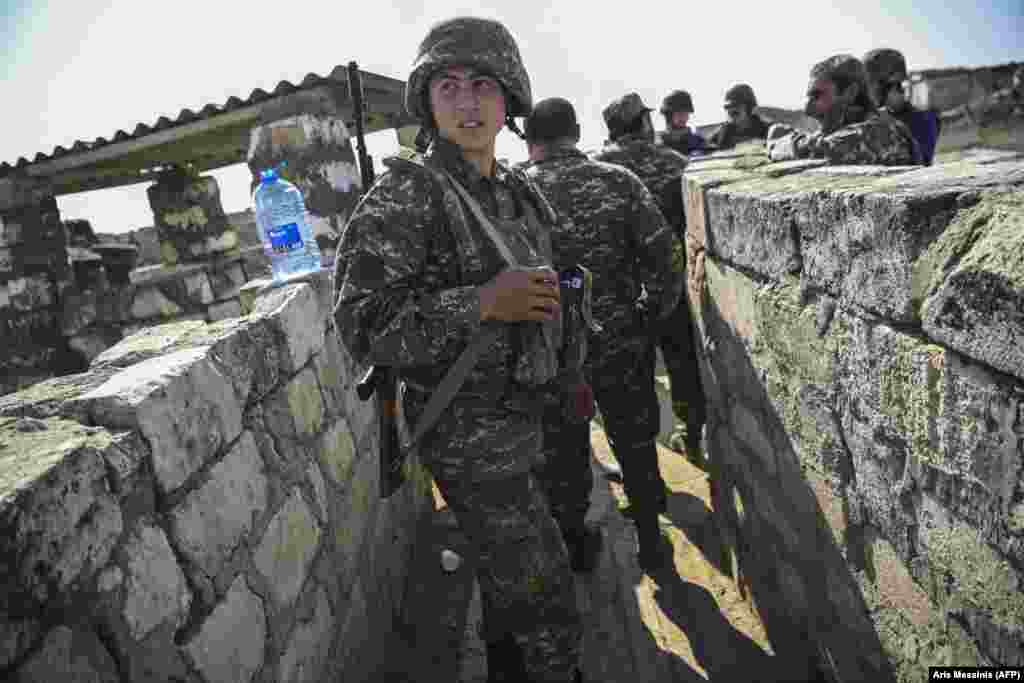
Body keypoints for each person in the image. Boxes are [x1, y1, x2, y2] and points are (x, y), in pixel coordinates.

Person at [333, 17, 583, 683]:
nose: (466, 103)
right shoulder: (409, 194)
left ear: (511, 100)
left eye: (481, 85)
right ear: (427, 99)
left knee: (512, 590)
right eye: (448, 86)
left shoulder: (514, 188)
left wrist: (569, 367)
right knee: (547, 596)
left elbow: (553, 290)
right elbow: (360, 323)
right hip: (471, 433)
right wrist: (480, 302)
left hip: (528, 412)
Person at [520, 97, 685, 570]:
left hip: (552, 349)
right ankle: (652, 539)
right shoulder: (617, 182)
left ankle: (578, 546)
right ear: (576, 130)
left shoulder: (515, 195)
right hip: (620, 340)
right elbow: (665, 256)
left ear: (530, 141)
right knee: (634, 439)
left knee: (564, 450)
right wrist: (649, 316)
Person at [591, 92, 705, 562]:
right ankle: (691, 437)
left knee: (629, 398)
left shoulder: (600, 169)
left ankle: (647, 479)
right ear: (642, 123)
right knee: (682, 368)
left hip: (620, 304)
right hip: (672, 288)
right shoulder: (676, 163)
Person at [766, 54, 920, 165]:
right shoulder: (851, 130)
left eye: (817, 96)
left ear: (850, 93)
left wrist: (778, 145)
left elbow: (825, 150)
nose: (808, 110)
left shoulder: (879, 131)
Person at [863, 48, 940, 165]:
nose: (868, 91)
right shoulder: (876, 116)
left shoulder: (922, 119)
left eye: (871, 84)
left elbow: (920, 164)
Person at [707, 84, 771, 150]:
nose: (731, 110)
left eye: (735, 105)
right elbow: (706, 151)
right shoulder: (722, 133)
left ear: (749, 107)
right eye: (727, 107)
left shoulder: (767, 130)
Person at [657, 89, 709, 156]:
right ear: (668, 115)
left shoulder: (698, 141)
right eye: (680, 114)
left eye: (686, 114)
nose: (684, 118)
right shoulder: (659, 145)